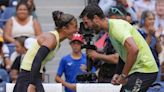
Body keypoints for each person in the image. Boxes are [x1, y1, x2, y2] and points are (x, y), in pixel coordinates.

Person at [79, 4, 158, 91]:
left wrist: (123, 75)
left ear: (96, 18)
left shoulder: (116, 28)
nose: (86, 27)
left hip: (145, 70)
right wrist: (118, 73)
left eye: (86, 22)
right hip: (138, 71)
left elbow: (134, 50)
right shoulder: (111, 30)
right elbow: (123, 53)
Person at [13, 10, 78, 92]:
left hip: (33, 75)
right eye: (75, 27)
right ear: (64, 29)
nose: (77, 30)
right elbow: (37, 60)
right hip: (28, 76)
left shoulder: (56, 40)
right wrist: (32, 84)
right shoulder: (51, 39)